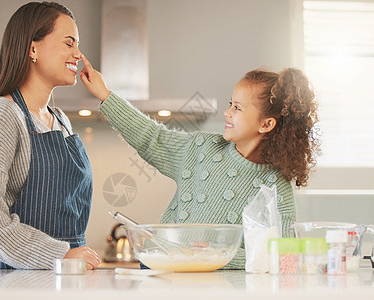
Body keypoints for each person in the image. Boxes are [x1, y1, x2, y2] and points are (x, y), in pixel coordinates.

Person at [79, 56, 320, 269]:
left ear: (266, 124)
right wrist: (105, 94)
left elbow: (284, 257)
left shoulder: (276, 187)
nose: (227, 113)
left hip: (219, 288)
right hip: (160, 269)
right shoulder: (202, 149)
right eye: (230, 104)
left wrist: (216, 256)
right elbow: (151, 138)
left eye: (237, 108)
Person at [0, 2, 101, 269]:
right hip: (8, 279)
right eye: (69, 43)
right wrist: (59, 256)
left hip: (60, 276)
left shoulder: (60, 121)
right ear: (32, 48)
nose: (78, 54)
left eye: (77, 45)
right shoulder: (0, 113)